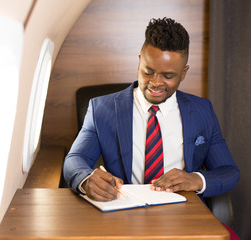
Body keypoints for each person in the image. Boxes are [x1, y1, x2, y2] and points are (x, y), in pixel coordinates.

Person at [63, 17, 239, 204]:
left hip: (183, 213)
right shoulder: (102, 109)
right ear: (139, 62)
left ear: (184, 73)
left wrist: (195, 179)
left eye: (168, 76)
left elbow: (229, 172)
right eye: (148, 71)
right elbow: (75, 160)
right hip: (124, 210)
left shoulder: (203, 111)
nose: (155, 82)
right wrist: (87, 179)